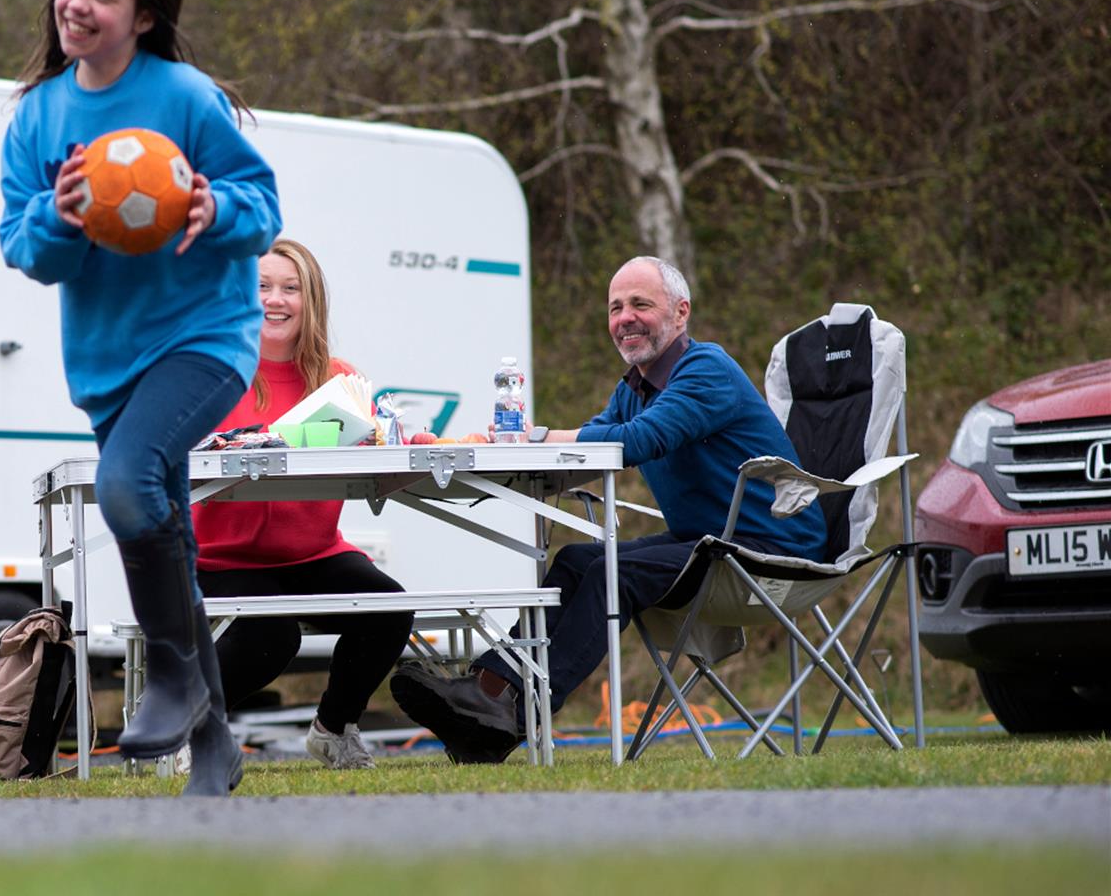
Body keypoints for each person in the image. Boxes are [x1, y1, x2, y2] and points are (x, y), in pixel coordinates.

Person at [0, 0, 281, 797]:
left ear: (143, 15)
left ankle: (169, 676)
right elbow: (24, 249)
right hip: (106, 363)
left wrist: (214, 209)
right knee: (166, 531)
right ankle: (216, 745)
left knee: (126, 488)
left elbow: (261, 205)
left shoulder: (187, 99)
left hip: (204, 339)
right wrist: (62, 215)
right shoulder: (37, 120)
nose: (75, 4)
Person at [391, 256, 826, 762]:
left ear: (681, 312)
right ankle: (489, 698)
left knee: (609, 573)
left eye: (641, 304)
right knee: (579, 560)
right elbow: (596, 438)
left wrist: (532, 437)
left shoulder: (706, 369)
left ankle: (510, 709)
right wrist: (519, 449)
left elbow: (637, 441)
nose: (625, 317)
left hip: (766, 550)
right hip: (705, 542)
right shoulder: (634, 389)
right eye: (616, 307)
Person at [193, 239, 410, 770]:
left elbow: (383, 447)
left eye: (290, 288)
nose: (276, 299)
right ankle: (188, 727)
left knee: (391, 608)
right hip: (225, 558)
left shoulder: (339, 379)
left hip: (313, 554)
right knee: (271, 633)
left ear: (310, 300)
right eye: (263, 287)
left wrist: (395, 444)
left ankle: (333, 730)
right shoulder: (214, 370)